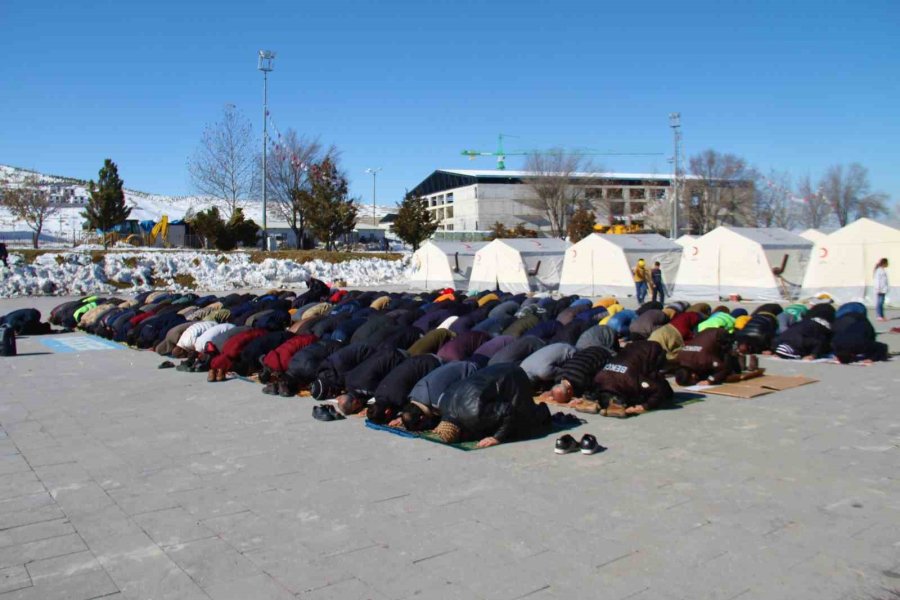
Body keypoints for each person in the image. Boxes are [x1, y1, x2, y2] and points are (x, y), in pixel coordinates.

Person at [427, 363, 553, 448]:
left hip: (512, 377)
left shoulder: (474, 415)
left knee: (524, 423)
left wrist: (497, 438)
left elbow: (508, 411)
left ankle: (542, 411)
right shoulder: (444, 404)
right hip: (494, 372)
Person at [591, 340, 673, 417]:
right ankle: (617, 403)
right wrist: (644, 406)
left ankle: (600, 401)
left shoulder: (630, 350)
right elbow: (658, 390)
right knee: (650, 387)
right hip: (625, 379)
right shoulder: (635, 378)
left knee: (611, 386)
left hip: (603, 377)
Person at [674, 328, 742, 387]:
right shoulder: (680, 357)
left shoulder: (703, 360)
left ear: (693, 375)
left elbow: (723, 368)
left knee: (727, 364)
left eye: (692, 382)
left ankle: (736, 370)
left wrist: (710, 380)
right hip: (705, 335)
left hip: (720, 335)